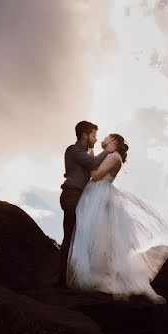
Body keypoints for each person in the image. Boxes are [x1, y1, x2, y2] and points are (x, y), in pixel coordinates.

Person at [66, 133, 168, 303]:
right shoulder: (110, 155)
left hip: (99, 194)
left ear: (114, 142)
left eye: (107, 137)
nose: (103, 138)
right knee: (95, 235)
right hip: (96, 193)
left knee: (99, 235)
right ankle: (98, 274)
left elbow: (95, 176)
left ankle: (104, 278)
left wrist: (91, 160)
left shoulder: (114, 156)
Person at [58, 121, 116, 287]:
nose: (96, 139)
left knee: (80, 238)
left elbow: (92, 167)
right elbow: (93, 164)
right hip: (72, 196)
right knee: (71, 237)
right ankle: (64, 280)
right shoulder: (74, 150)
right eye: (93, 135)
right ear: (84, 135)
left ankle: (72, 278)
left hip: (78, 196)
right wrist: (107, 151)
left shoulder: (85, 152)